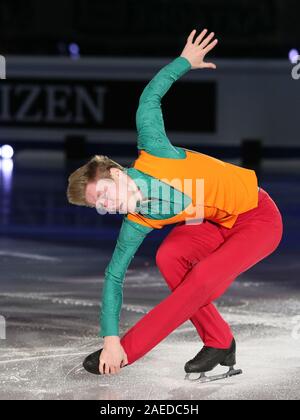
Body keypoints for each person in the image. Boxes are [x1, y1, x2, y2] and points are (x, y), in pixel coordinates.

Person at [67, 29, 283, 378]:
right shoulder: (136, 220)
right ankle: (219, 340)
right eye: (98, 204)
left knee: (202, 278)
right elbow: (113, 276)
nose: (106, 203)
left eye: (103, 192)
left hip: (259, 218)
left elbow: (148, 99)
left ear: (115, 173)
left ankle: (129, 352)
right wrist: (108, 336)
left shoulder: (153, 151)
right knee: (169, 256)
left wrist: (183, 62)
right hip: (215, 224)